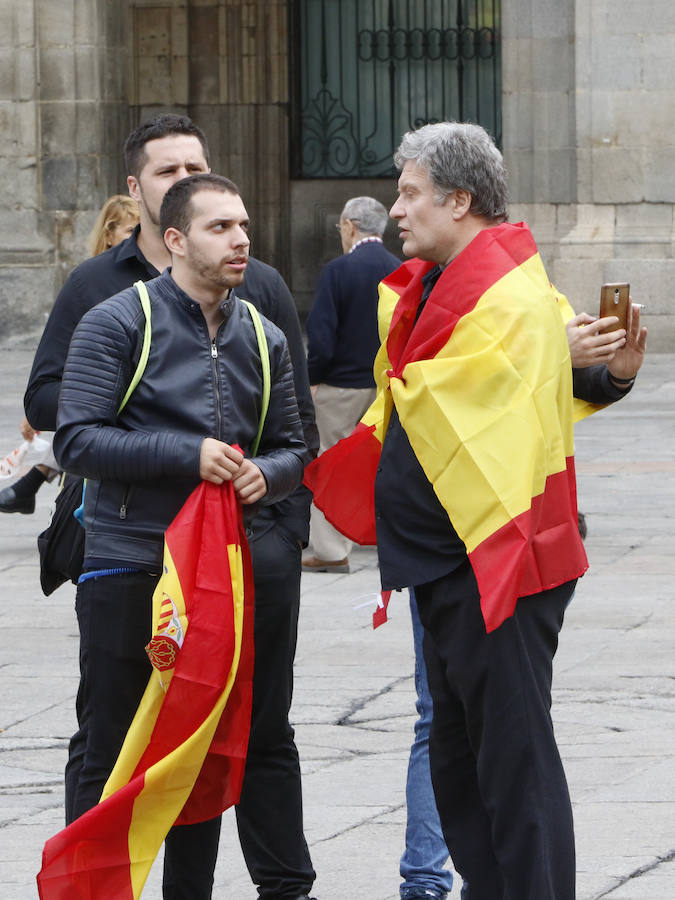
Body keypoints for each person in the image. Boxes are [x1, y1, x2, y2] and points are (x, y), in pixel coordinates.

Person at [25, 115, 319, 900]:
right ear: (174, 237)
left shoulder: (261, 328)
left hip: (226, 564)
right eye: (220, 227)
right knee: (116, 738)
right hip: (132, 559)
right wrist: (181, 454)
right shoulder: (113, 314)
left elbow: (295, 442)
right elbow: (77, 438)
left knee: (208, 738)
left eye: (244, 226)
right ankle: (87, 889)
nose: (239, 241)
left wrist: (273, 480)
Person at [401, 294, 647, 900]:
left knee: (515, 745)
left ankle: (449, 879)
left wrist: (615, 374)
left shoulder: (522, 285)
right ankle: (461, 880)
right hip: (438, 544)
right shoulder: (411, 288)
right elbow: (425, 393)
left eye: (410, 192)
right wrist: (545, 355)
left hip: (510, 542)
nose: (398, 208)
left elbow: (564, 384)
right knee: (450, 736)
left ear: (458, 200)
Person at [0, 195, 141, 516]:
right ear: (109, 233)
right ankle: (34, 482)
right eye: (130, 229)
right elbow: (57, 373)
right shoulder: (89, 283)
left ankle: (34, 480)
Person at [302, 196, 399, 573]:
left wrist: (314, 379)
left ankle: (331, 550)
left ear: (349, 226)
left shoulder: (337, 271)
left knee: (330, 460)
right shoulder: (400, 269)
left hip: (341, 386)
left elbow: (322, 336)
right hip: (386, 385)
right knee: (384, 460)